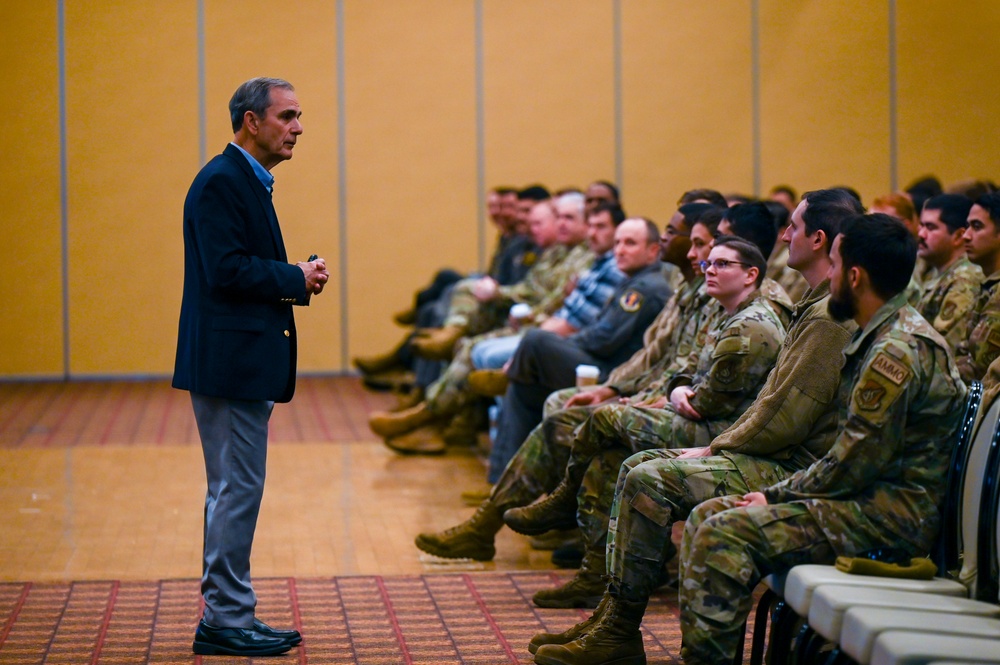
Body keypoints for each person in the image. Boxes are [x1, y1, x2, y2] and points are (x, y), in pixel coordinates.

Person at [532, 212, 968, 665]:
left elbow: (851, 462)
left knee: (722, 529)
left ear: (854, 276)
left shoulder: (893, 352)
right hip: (863, 497)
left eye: (835, 267)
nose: (828, 278)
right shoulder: (881, 335)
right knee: (708, 515)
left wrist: (774, 496)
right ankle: (620, 630)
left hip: (888, 518)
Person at [526, 187, 861, 655]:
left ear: (820, 240)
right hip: (767, 446)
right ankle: (611, 619)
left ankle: (618, 630)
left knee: (647, 476)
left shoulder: (825, 317)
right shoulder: (813, 304)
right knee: (631, 464)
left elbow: (783, 417)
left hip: (791, 462)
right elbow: (696, 371)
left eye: (795, 227)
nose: (786, 235)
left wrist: (716, 448)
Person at [172, 77, 329, 657]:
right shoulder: (221, 183)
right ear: (250, 122)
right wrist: (295, 277)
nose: (298, 127)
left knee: (234, 488)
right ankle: (225, 618)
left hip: (237, 361)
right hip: (229, 363)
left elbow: (236, 265)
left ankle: (231, 612)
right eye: (287, 116)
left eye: (299, 115)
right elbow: (226, 270)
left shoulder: (244, 181)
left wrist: (290, 274)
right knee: (236, 489)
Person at [914, 194, 981, 349]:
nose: (921, 234)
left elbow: (942, 348)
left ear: (958, 236)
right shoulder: (935, 271)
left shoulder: (965, 279)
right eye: (921, 225)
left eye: (930, 227)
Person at [956, 192, 1000, 383]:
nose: (965, 236)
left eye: (977, 227)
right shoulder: (989, 285)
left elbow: (981, 367)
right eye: (967, 226)